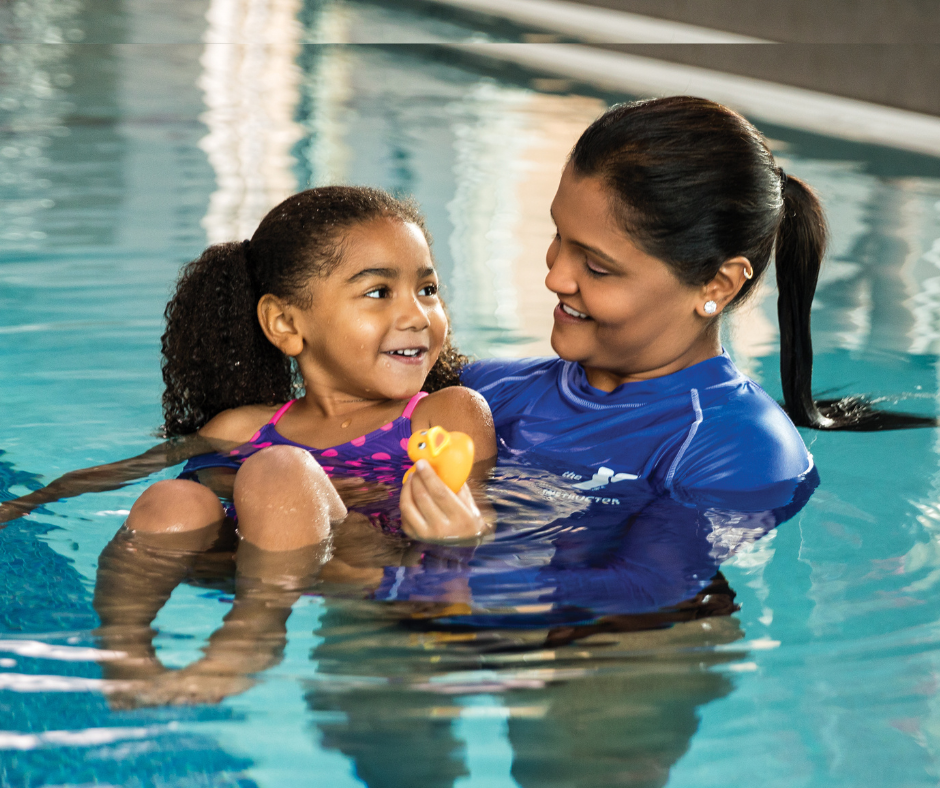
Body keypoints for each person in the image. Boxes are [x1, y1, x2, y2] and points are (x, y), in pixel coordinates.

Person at [0, 186, 497, 549]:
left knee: (281, 468)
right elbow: (129, 470)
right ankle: (126, 647)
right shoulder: (245, 429)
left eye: (427, 289)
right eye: (378, 292)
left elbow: (478, 513)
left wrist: (462, 532)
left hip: (368, 568)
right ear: (285, 323)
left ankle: (247, 640)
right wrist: (21, 505)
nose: (417, 315)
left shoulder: (442, 415)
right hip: (239, 561)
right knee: (170, 499)